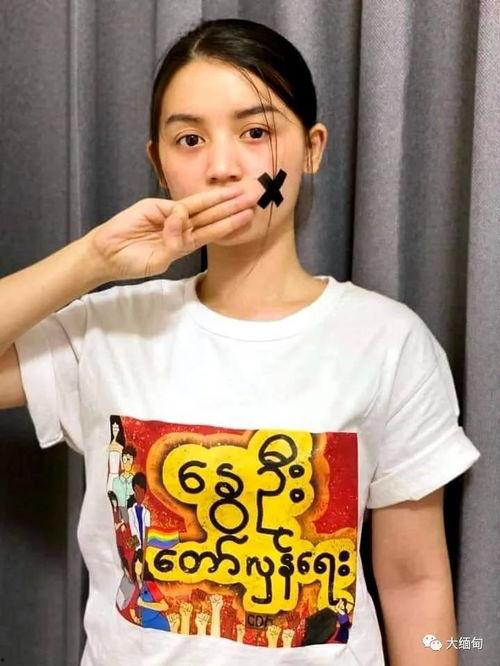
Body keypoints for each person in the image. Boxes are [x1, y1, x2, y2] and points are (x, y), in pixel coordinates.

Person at [0, 17, 480, 666]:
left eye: (256, 133)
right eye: (190, 140)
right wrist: (93, 260)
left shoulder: (389, 342)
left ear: (311, 149)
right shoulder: (106, 330)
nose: (223, 168)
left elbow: (415, 582)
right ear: (158, 164)